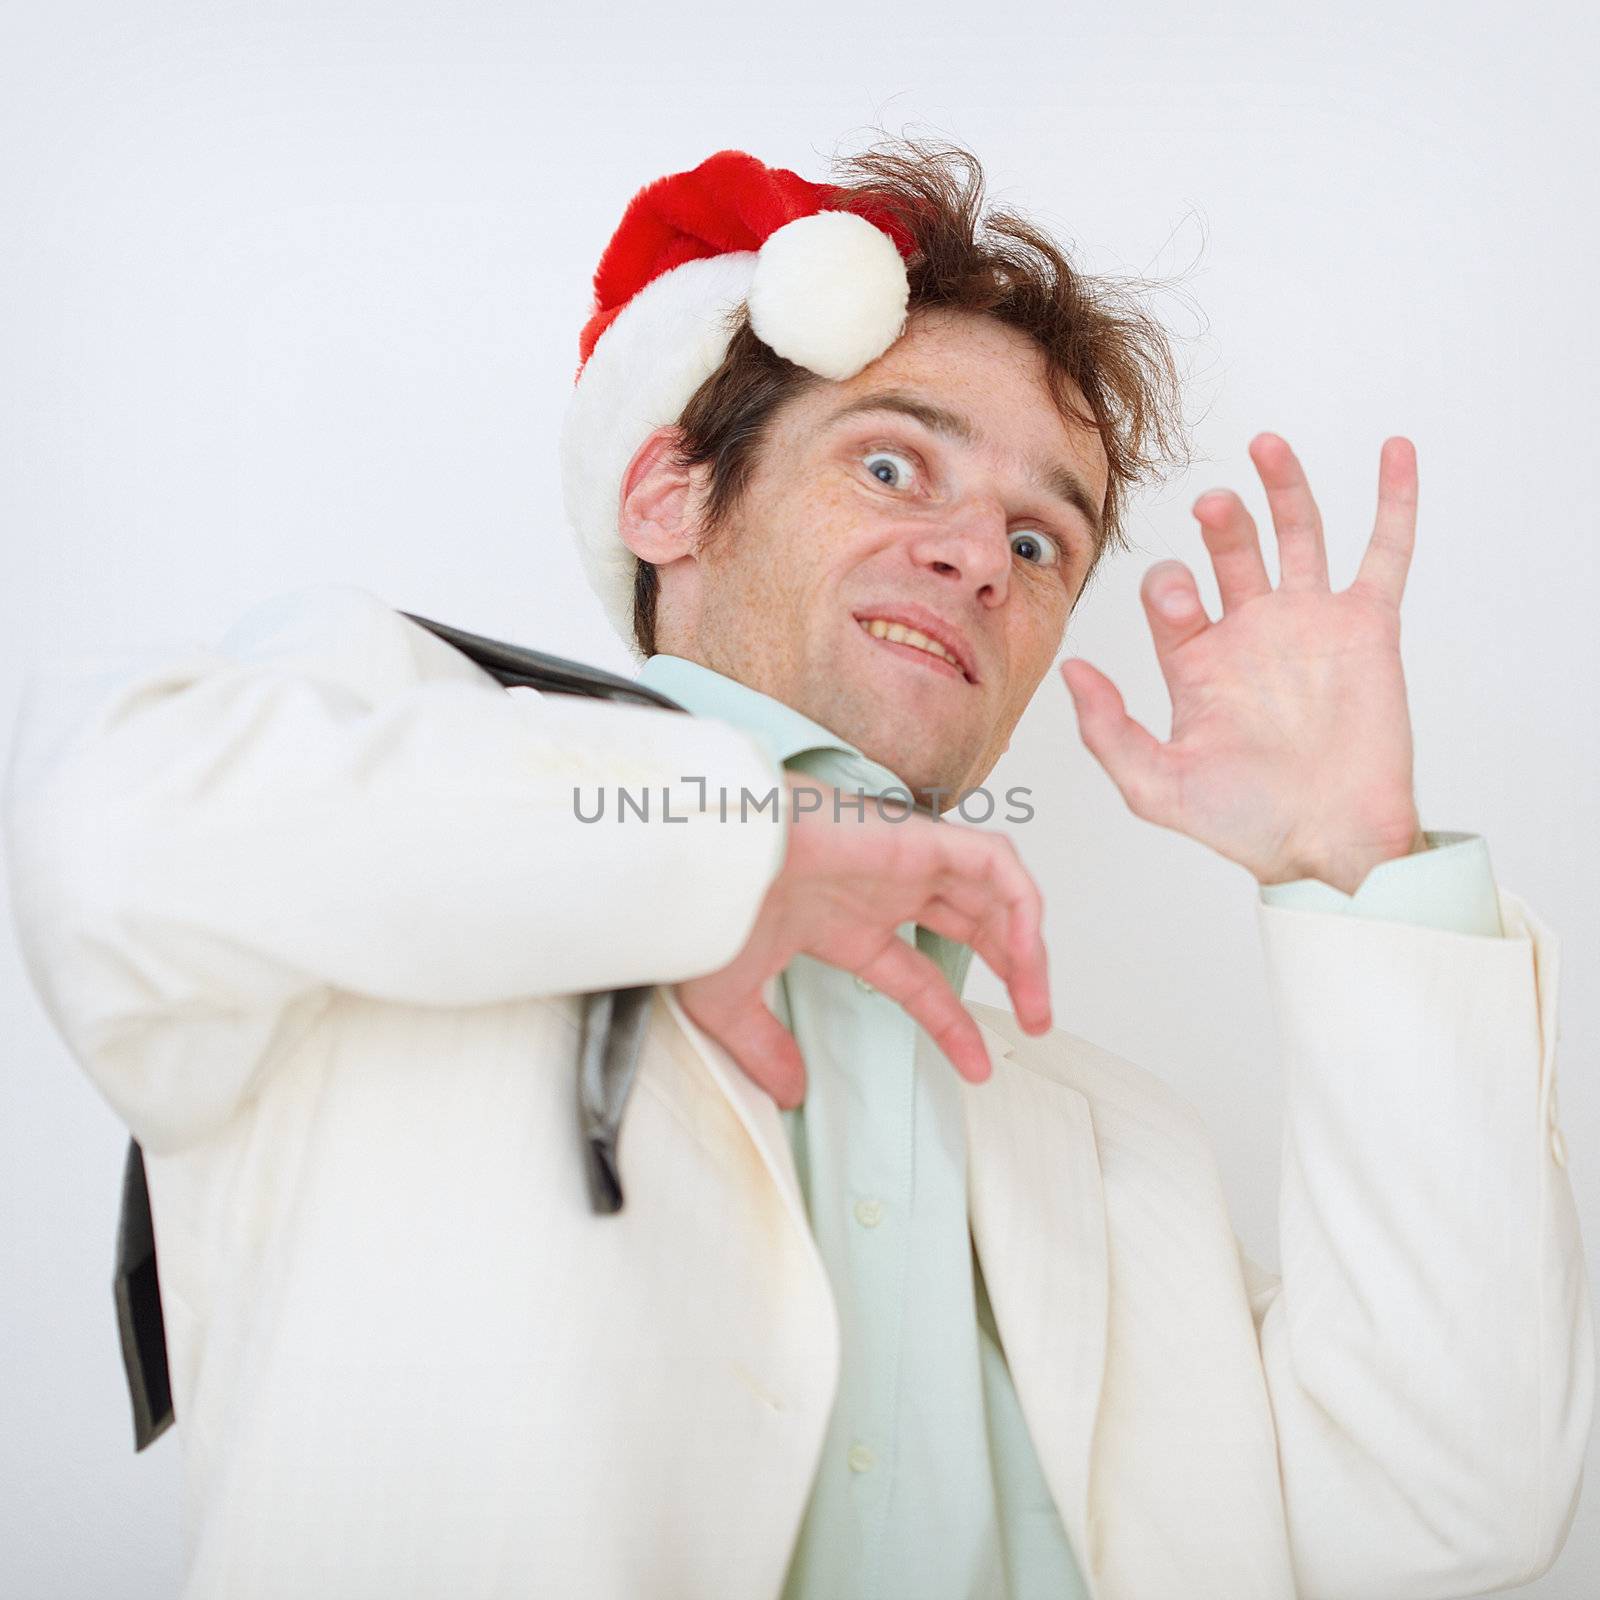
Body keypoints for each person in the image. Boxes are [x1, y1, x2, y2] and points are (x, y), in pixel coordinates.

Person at [5, 138, 1592, 1600]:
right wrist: (723, 845)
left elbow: (1453, 1516)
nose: (981, 556)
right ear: (667, 494)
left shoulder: (1127, 1152)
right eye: (896, 466)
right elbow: (114, 845)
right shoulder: (374, 780)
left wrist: (1358, 860)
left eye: (1042, 542)